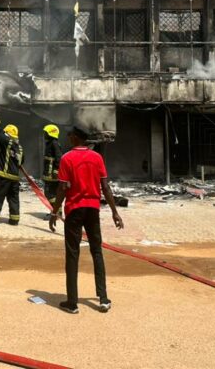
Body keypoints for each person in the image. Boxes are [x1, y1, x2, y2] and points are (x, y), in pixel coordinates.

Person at [49, 125, 124, 314]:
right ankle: (103, 298)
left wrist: (54, 211)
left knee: (72, 254)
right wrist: (115, 212)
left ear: (75, 138)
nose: (67, 138)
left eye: (69, 136)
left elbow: (62, 188)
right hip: (93, 210)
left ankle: (72, 302)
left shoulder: (67, 158)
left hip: (74, 210)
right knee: (96, 251)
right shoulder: (97, 157)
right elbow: (105, 187)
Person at [0, 115, 23, 227]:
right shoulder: (20, 148)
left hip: (4, 176)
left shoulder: (7, 142)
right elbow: (21, 163)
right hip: (15, 178)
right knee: (13, 199)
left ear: (8, 134)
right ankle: (14, 220)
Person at [42, 124, 62, 211]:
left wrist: (56, 170)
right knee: (52, 193)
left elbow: (59, 157)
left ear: (50, 133)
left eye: (45, 133)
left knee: (50, 193)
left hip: (51, 174)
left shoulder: (54, 143)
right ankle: (56, 211)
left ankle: (56, 212)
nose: (44, 134)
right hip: (48, 172)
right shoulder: (50, 143)